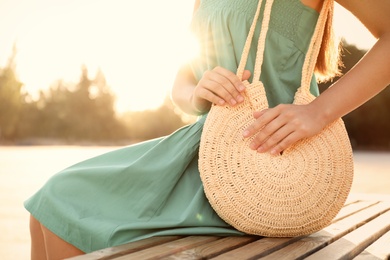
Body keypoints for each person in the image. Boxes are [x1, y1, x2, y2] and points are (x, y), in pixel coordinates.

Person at [25, 0, 390, 259]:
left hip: (271, 169)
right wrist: (197, 92)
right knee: (46, 206)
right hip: (205, 152)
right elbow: (182, 83)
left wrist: (319, 111)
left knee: (61, 204)